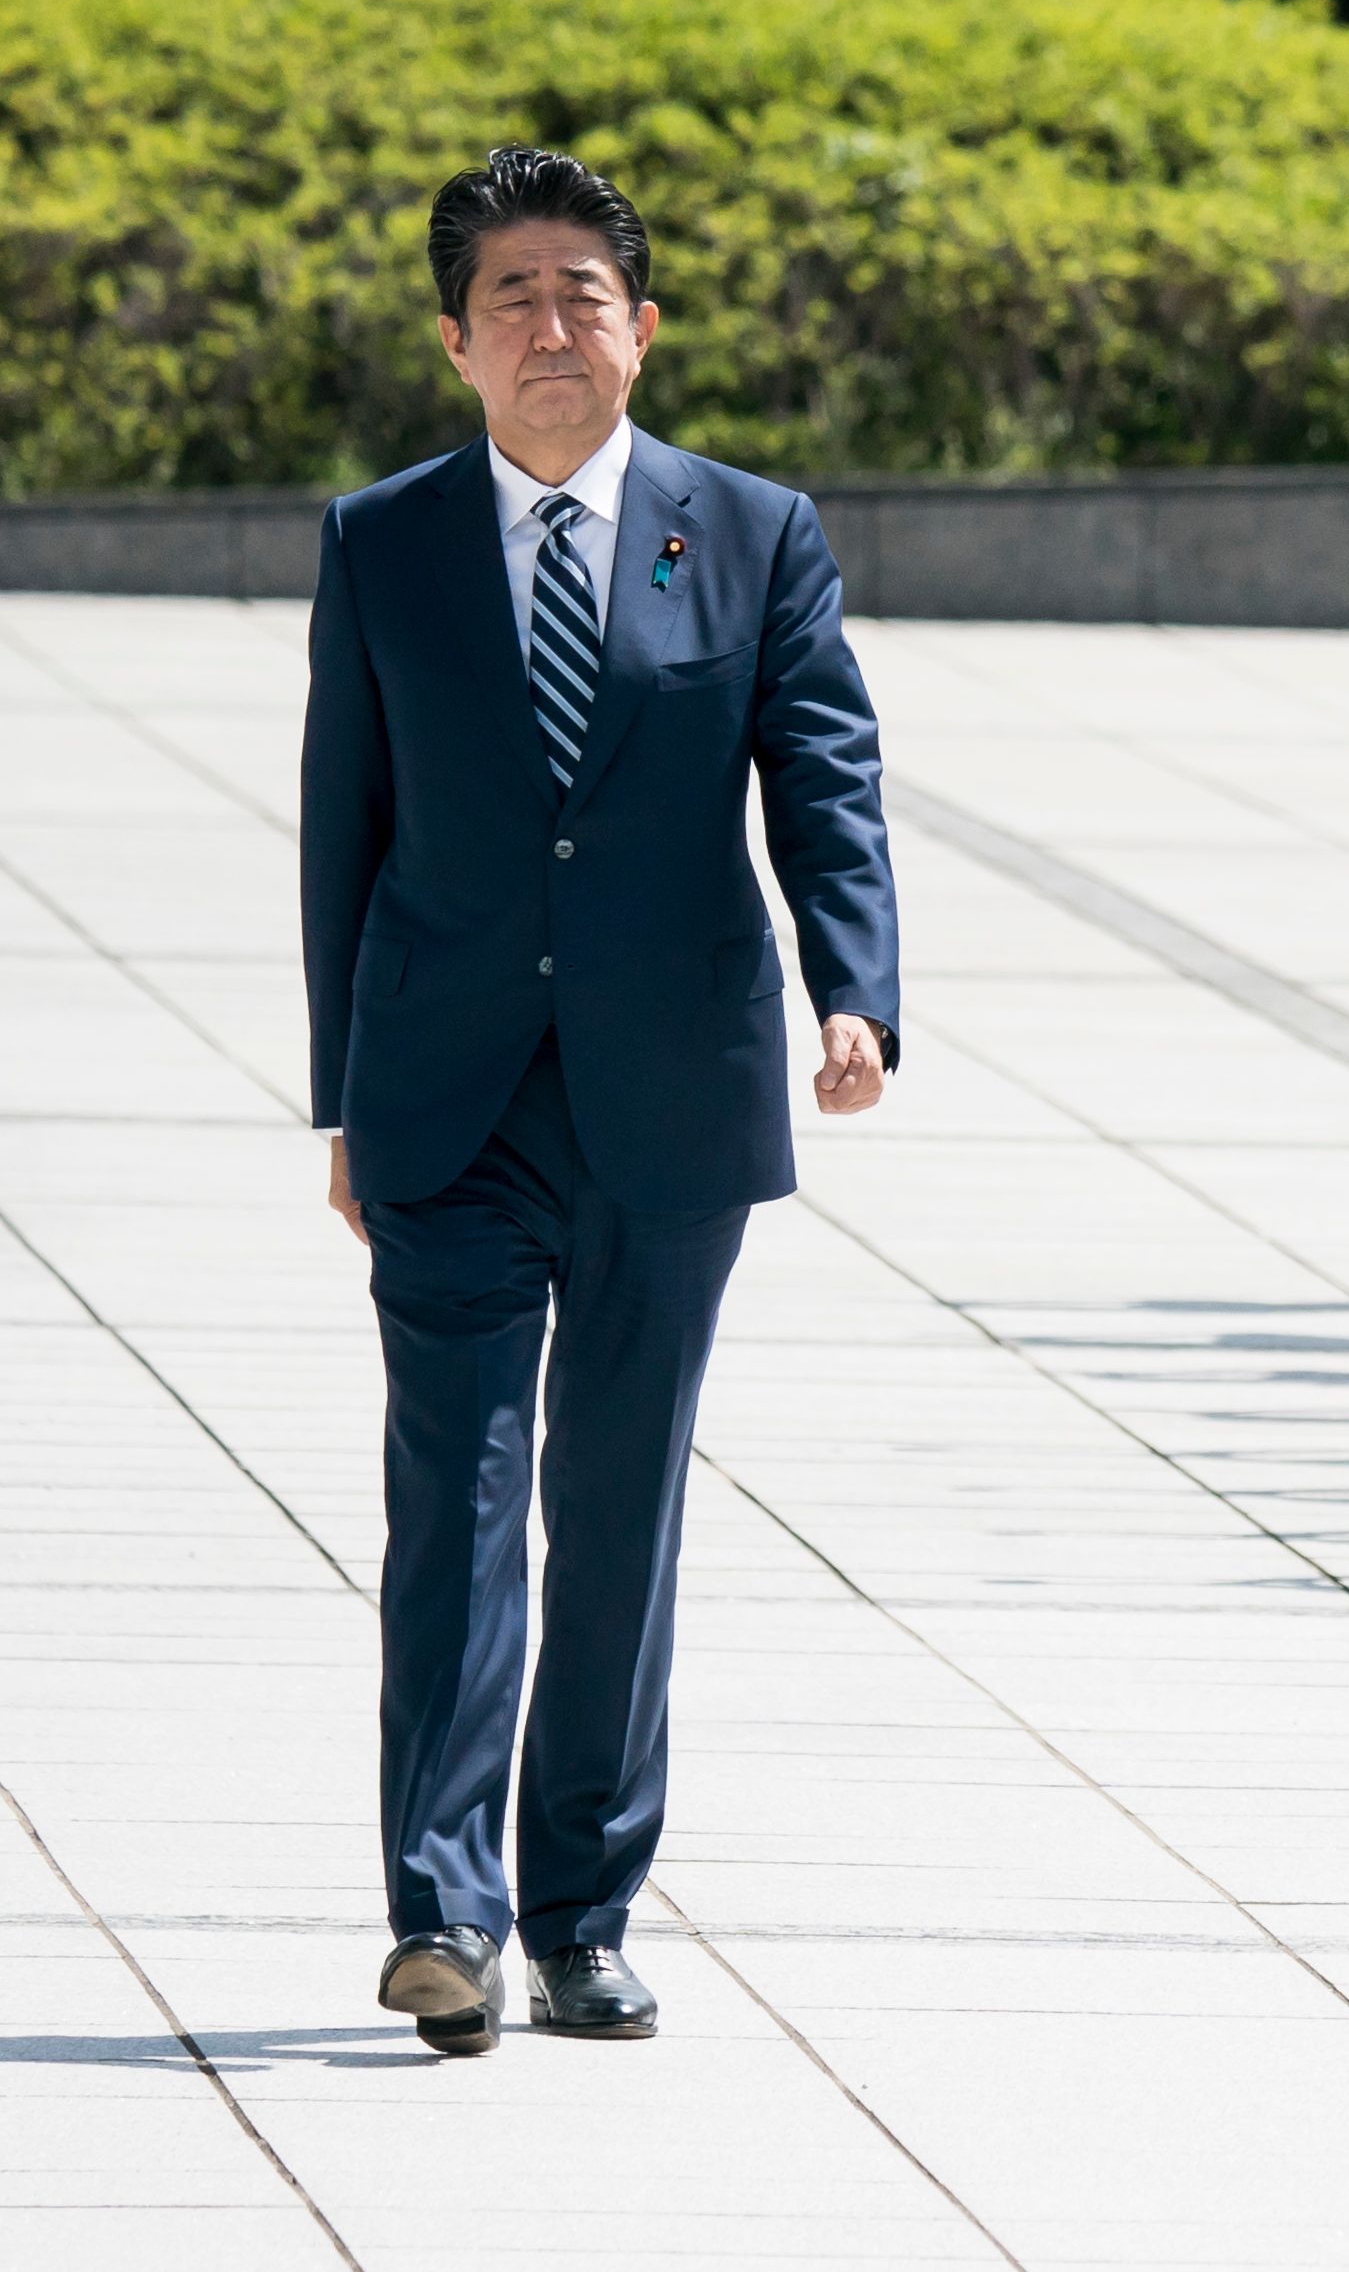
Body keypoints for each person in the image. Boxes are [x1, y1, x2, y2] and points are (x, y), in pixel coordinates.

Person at [302, 145, 902, 2055]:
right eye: (511, 300)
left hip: (668, 1094)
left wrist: (855, 990)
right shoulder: (381, 539)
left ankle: (579, 1908)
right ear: (455, 344)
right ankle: (445, 1910)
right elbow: (347, 828)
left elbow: (824, 775)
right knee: (454, 1496)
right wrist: (339, 1094)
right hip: (448, 1100)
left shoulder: (746, 531)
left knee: (619, 1500)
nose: (549, 328)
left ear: (643, 330)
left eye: (584, 294)